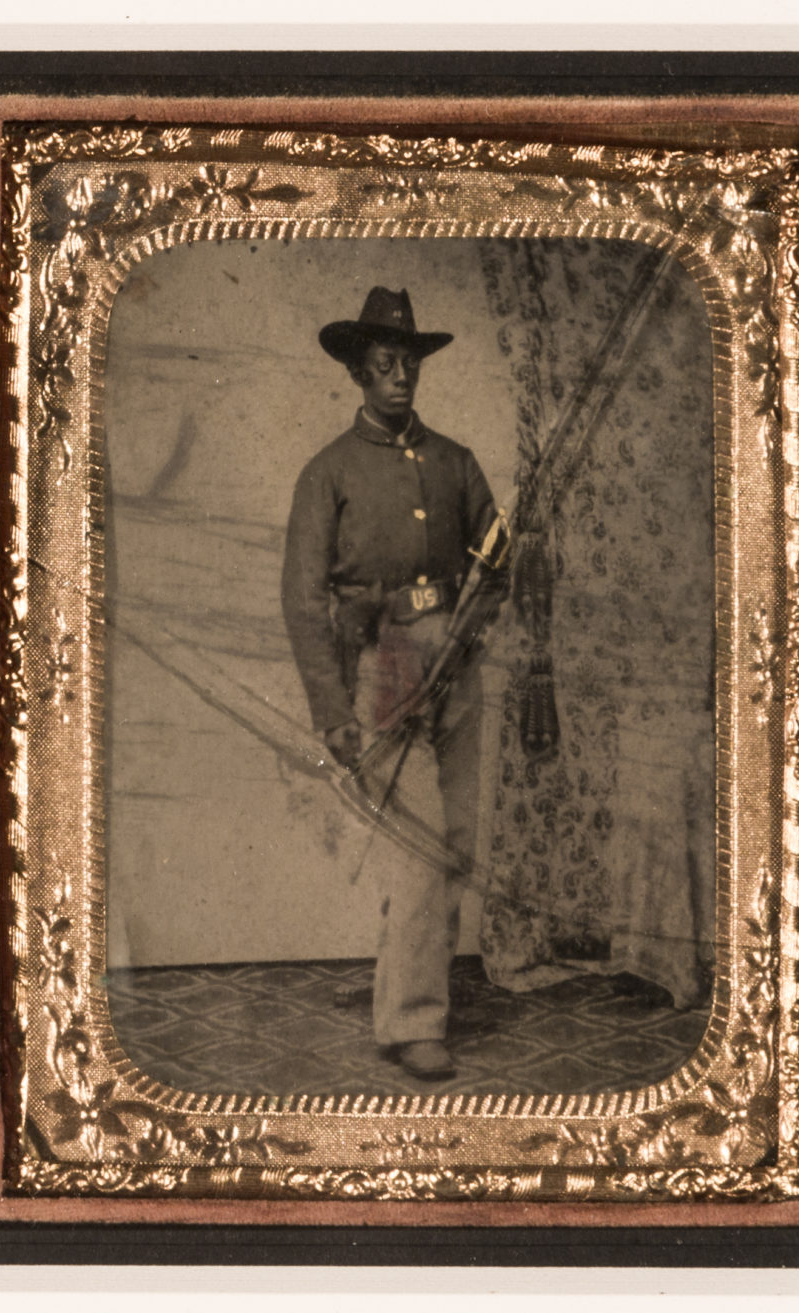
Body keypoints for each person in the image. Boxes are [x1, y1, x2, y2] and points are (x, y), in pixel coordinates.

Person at [279, 287, 498, 1081]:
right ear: (357, 371)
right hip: (382, 674)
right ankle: (412, 1022)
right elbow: (304, 603)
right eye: (384, 363)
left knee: (458, 844)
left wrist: (476, 618)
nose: (400, 375)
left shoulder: (454, 462)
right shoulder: (327, 474)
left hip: (459, 673)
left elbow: (495, 559)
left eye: (409, 362)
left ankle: (411, 991)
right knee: (420, 847)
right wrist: (332, 713)